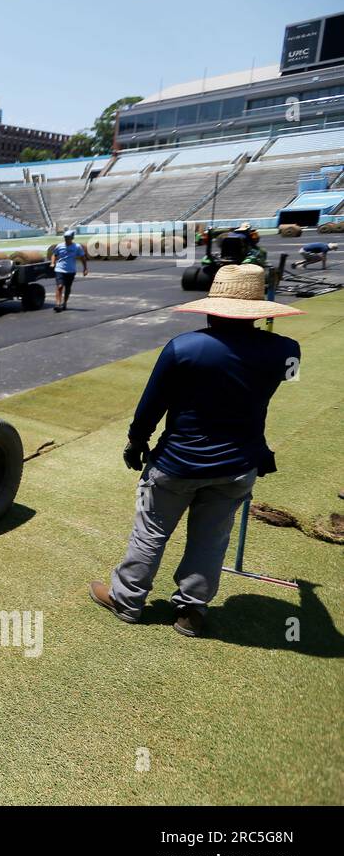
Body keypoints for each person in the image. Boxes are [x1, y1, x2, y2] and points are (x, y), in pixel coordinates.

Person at [90, 265, 303, 638]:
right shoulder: (287, 351)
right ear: (258, 311)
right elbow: (285, 376)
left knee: (151, 532)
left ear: (212, 307)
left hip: (176, 463)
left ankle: (127, 600)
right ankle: (191, 611)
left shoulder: (183, 348)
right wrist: (266, 339)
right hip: (238, 464)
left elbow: (150, 407)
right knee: (211, 537)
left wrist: (136, 441)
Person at [49, 230, 88, 312]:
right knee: (59, 286)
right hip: (59, 269)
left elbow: (82, 258)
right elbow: (54, 254)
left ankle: (64, 302)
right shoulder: (59, 246)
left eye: (68, 238)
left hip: (71, 270)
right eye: (65, 238)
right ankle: (58, 304)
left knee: (68, 288)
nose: (66, 239)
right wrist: (52, 263)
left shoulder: (77, 247)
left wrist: (85, 268)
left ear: (72, 238)